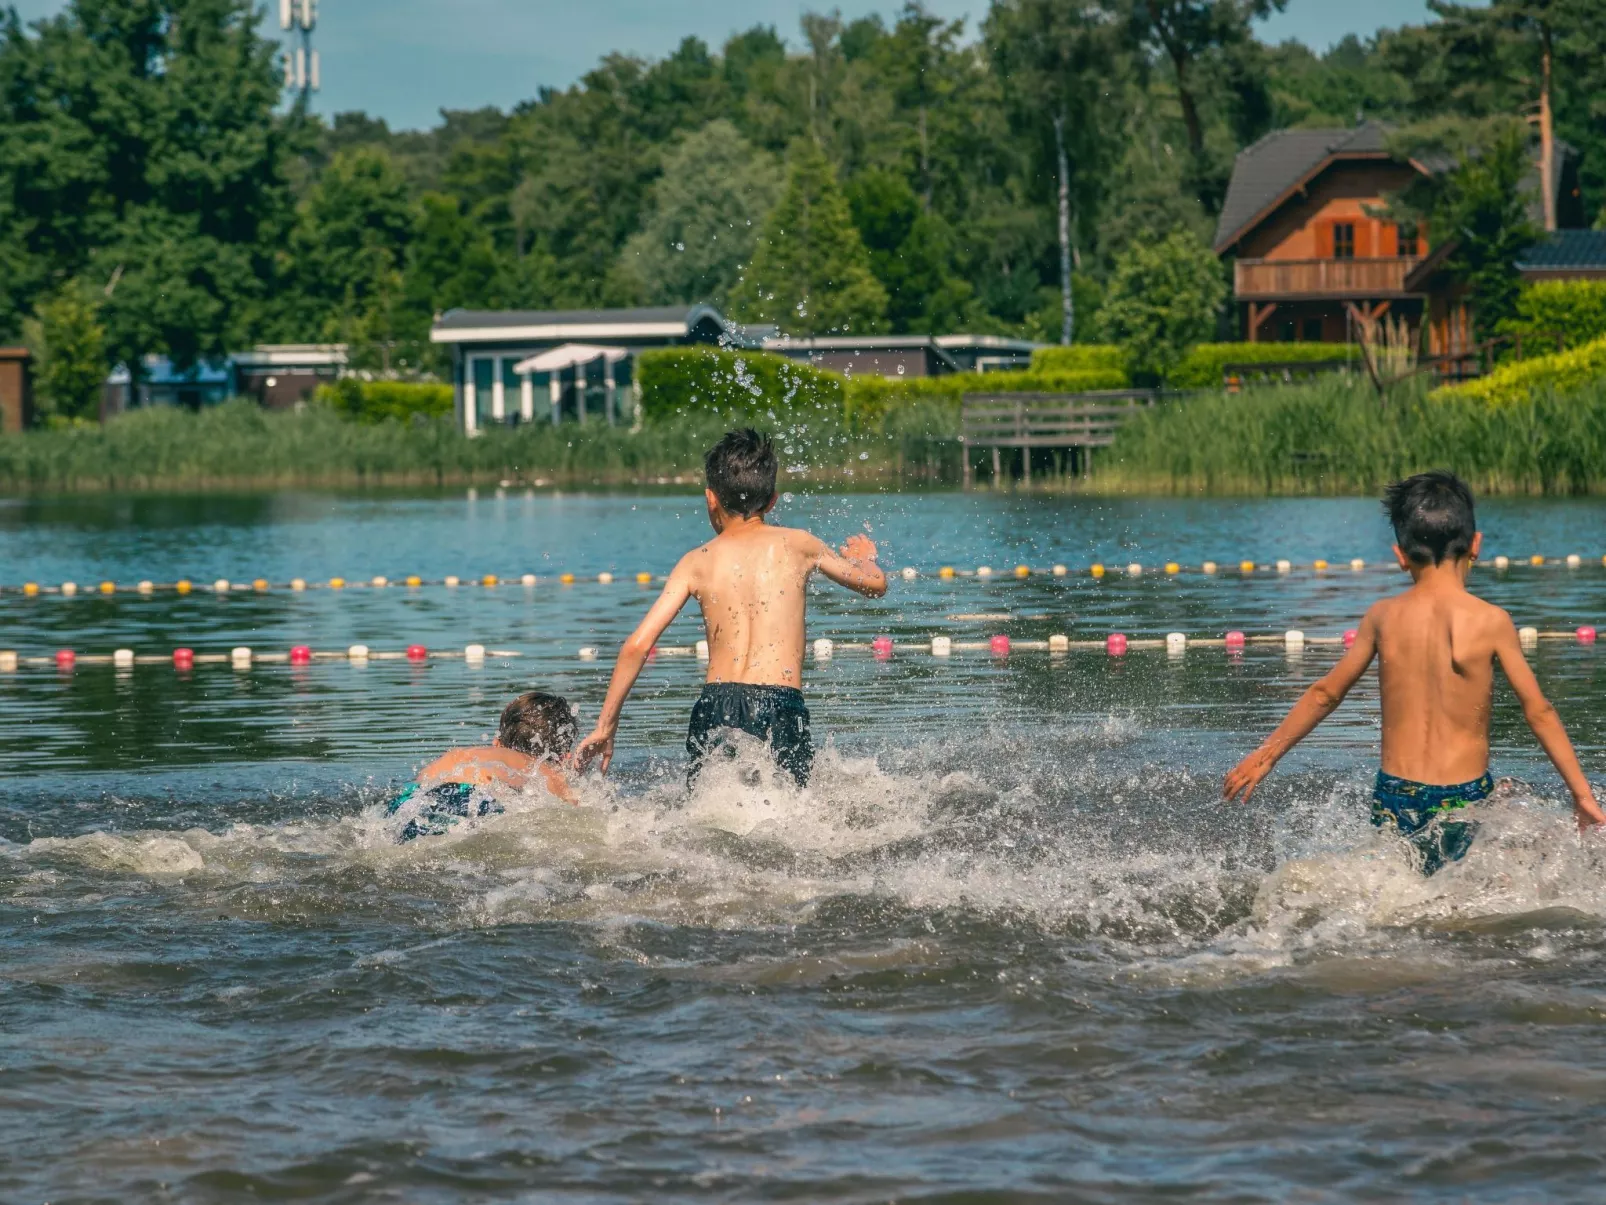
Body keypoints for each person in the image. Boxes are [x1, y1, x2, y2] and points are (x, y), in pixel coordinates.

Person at [1223, 470, 1604, 875]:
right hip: (1464, 797)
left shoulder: (1383, 617)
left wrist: (1267, 755)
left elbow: (1325, 694)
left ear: (1400, 555)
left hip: (1395, 792)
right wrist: (1580, 795)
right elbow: (1538, 711)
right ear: (1476, 546)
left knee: (1403, 885)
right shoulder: (1491, 621)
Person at [572, 428, 888, 787]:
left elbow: (637, 646)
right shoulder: (799, 544)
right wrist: (867, 559)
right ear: (772, 501)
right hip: (779, 701)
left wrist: (605, 726)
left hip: (715, 704)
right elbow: (875, 586)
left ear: (710, 498)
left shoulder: (696, 561)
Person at [387, 691, 577, 841]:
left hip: (411, 802)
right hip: (476, 801)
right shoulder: (543, 769)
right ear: (564, 756)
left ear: (497, 742)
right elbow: (575, 808)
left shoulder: (458, 756)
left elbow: (419, 785)